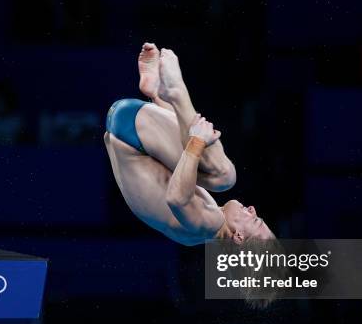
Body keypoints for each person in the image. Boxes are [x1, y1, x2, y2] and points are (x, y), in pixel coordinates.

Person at [104, 43, 275, 246]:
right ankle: (158, 92)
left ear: (238, 236)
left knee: (224, 176)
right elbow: (169, 169)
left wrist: (197, 141)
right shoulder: (197, 235)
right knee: (203, 171)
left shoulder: (210, 223)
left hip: (131, 132)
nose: (252, 209)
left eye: (254, 219)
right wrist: (158, 101)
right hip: (130, 130)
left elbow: (175, 198)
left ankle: (175, 90)